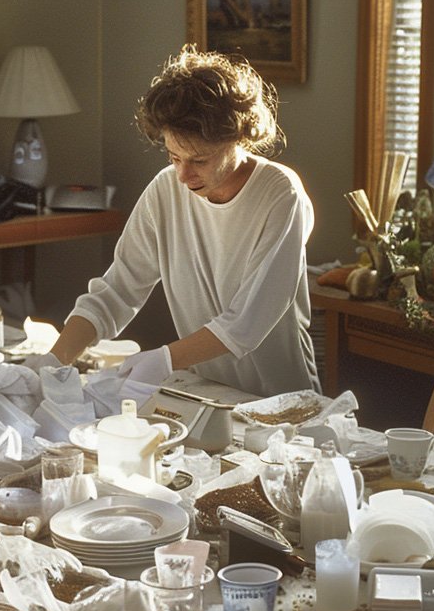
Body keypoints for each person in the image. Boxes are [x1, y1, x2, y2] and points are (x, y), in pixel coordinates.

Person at [50, 45, 319, 397]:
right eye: (173, 156)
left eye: (199, 160)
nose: (182, 175)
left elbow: (247, 323)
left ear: (239, 139)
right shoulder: (166, 189)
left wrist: (164, 359)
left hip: (281, 400)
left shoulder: (280, 194)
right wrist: (55, 359)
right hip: (207, 389)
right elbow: (117, 291)